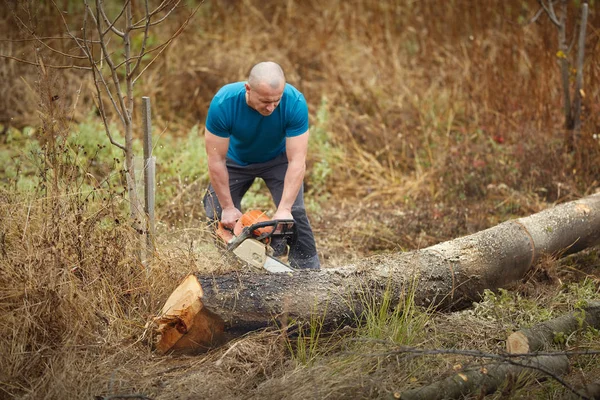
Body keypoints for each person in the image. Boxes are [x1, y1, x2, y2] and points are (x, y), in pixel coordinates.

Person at [203, 61, 320, 270]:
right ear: (248, 89)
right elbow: (216, 160)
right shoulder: (224, 102)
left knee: (295, 212)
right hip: (234, 161)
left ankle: (307, 270)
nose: (271, 107)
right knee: (216, 212)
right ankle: (234, 267)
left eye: (276, 100)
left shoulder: (294, 102)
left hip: (278, 160)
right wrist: (229, 208)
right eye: (265, 101)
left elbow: (297, 160)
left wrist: (284, 209)